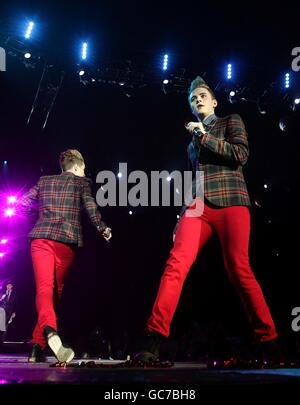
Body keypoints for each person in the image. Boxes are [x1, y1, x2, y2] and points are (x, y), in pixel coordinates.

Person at [134, 76, 282, 367]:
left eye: (202, 95)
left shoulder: (230, 121)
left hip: (232, 202)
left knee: (239, 269)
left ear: (214, 101)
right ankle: (153, 338)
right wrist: (181, 216)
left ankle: (270, 342)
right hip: (197, 206)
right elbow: (194, 180)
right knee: (176, 264)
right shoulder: (191, 144)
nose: (197, 100)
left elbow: (241, 154)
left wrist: (205, 137)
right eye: (192, 99)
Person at [19, 149, 112, 363]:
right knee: (54, 293)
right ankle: (51, 332)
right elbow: (91, 208)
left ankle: (37, 345)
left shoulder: (44, 181)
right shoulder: (81, 183)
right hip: (66, 242)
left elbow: (23, 203)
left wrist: (41, 217)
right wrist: (102, 228)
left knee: (45, 289)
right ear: (78, 167)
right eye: (84, 168)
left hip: (41, 238)